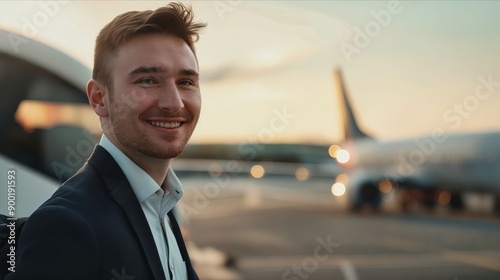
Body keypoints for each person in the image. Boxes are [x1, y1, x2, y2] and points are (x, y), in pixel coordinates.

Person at [6, 3, 206, 280]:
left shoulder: (162, 205)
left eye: (186, 82)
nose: (174, 103)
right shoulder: (66, 224)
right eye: (148, 80)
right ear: (99, 98)